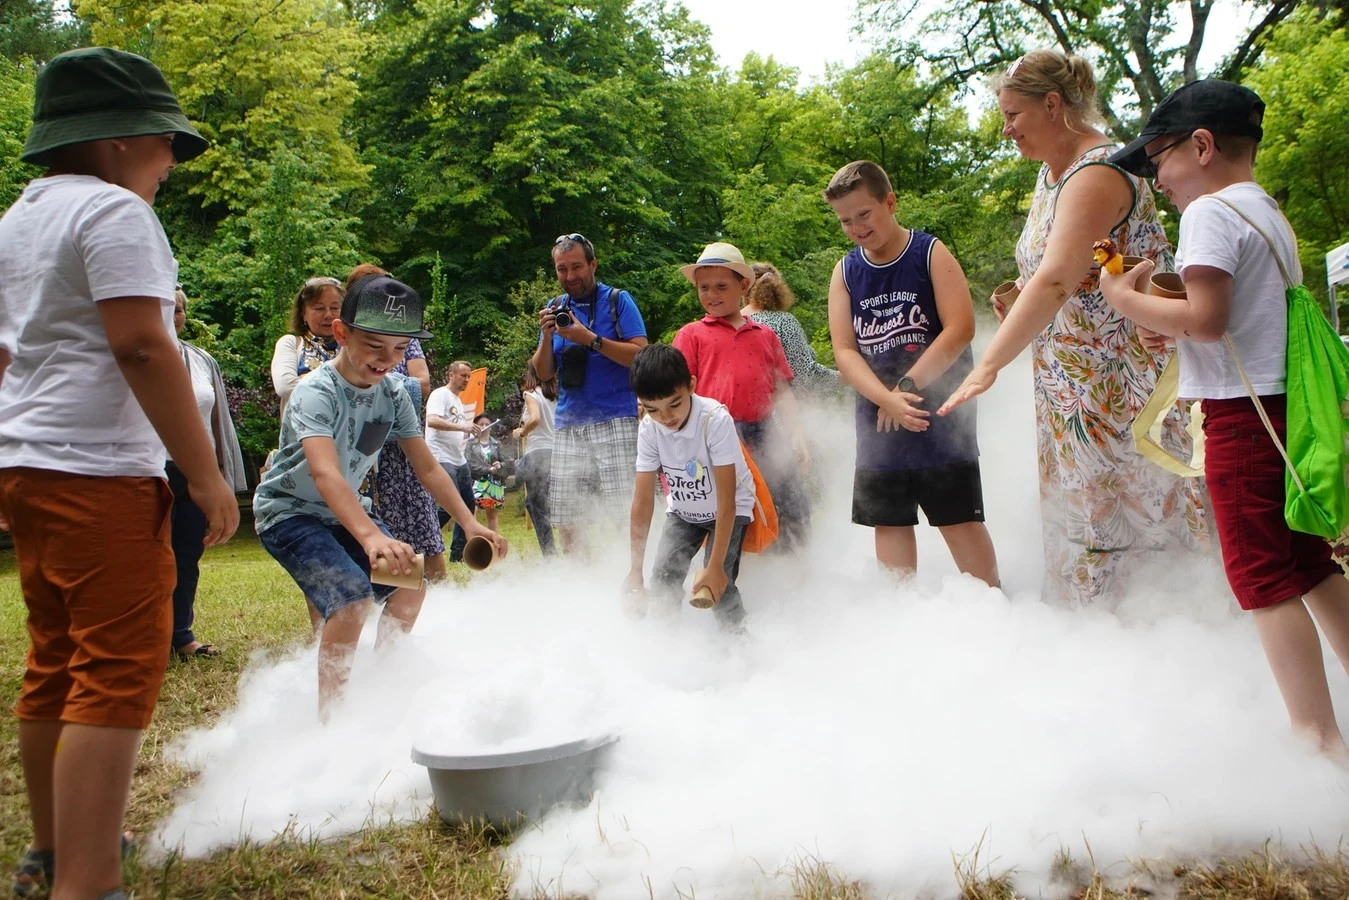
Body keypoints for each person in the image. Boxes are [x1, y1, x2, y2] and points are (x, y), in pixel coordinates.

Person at [0, 47, 239, 900]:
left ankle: (53, 849)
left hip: (29, 465)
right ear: (118, 139)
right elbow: (143, 345)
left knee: (57, 657)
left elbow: (5, 355)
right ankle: (89, 883)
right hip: (98, 471)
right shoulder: (114, 214)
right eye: (167, 142)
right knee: (115, 664)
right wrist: (206, 474)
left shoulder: (18, 219)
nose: (173, 162)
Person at [1100, 80, 1349, 755]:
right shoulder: (1262, 209)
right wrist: (1171, 324)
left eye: (1159, 161)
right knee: (1307, 561)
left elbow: (1206, 321)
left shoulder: (1209, 213)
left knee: (1264, 578)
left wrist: (1123, 299)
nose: (1158, 180)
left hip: (1243, 422)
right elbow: (1233, 323)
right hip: (1284, 408)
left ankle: (1316, 742)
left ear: (1201, 146)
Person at [937, 49, 1207, 606]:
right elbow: (1047, 274)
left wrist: (988, 365)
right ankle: (1092, 654)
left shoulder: (1099, 172)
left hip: (1122, 387)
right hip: (1072, 390)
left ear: (1054, 105)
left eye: (1013, 115)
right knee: (1084, 521)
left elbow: (1059, 280)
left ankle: (1165, 646)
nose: (1005, 128)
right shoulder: (1050, 174)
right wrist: (1018, 294)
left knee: (1134, 519)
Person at [253, 274, 506, 717]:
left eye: (398, 348)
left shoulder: (393, 392)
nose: (387, 359)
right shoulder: (315, 392)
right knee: (351, 599)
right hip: (291, 515)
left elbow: (426, 465)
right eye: (374, 345)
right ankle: (333, 720)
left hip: (344, 513)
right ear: (341, 333)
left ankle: (383, 694)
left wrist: (468, 522)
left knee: (410, 587)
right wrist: (372, 537)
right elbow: (326, 473)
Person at [824, 161, 999, 585]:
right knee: (890, 523)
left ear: (890, 202)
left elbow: (960, 328)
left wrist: (906, 387)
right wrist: (885, 399)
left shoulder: (929, 252)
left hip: (939, 417)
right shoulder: (846, 272)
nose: (856, 227)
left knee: (957, 520)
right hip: (879, 420)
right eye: (846, 220)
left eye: (864, 214)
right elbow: (845, 352)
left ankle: (994, 612)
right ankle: (901, 622)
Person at [672, 242, 811, 552]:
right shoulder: (690, 334)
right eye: (703, 287)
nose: (712, 294)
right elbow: (678, 394)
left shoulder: (766, 335)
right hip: (715, 436)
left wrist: (797, 433)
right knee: (731, 511)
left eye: (722, 286)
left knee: (790, 504)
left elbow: (782, 390)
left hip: (764, 431)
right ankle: (732, 578)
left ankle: (799, 575)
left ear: (744, 286)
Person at [623, 344, 755, 632]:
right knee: (663, 577)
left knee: (719, 584)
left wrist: (716, 567)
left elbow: (727, 500)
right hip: (683, 512)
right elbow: (642, 502)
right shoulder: (649, 429)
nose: (666, 417)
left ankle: (739, 646)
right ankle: (667, 643)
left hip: (729, 508)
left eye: (675, 403)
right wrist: (635, 571)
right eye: (652, 409)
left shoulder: (714, 419)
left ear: (691, 386)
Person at [531, 233, 649, 554]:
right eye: (561, 269)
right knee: (569, 517)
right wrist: (546, 336)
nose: (569, 276)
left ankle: (634, 574)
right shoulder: (556, 307)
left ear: (593, 264)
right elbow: (543, 373)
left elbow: (641, 355)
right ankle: (577, 585)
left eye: (576, 267)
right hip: (569, 422)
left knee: (626, 510)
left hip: (617, 417)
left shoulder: (618, 301)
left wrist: (590, 339)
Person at [344, 265, 446, 583]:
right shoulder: (346, 344)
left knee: (423, 526)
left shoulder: (407, 341)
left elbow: (422, 381)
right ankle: (392, 603)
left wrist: (382, 386)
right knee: (381, 542)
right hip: (362, 457)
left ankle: (441, 597)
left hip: (403, 451)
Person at [168, 287, 249, 660]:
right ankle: (140, 639)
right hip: (143, 470)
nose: (173, 314)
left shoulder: (201, 360)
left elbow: (220, 424)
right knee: (143, 559)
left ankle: (181, 635)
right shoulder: (124, 356)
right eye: (164, 306)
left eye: (179, 308)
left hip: (193, 473)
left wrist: (222, 477)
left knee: (186, 555)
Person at [744, 262, 839, 395]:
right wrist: (844, 378)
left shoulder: (732, 322)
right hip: (782, 411)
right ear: (778, 289)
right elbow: (805, 376)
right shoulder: (783, 321)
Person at [425, 360, 482, 562]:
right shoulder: (440, 394)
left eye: (469, 376)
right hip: (440, 456)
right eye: (463, 375)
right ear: (451, 375)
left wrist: (468, 435)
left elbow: (455, 431)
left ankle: (457, 554)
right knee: (452, 504)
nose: (466, 380)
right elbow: (432, 421)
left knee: (468, 505)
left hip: (458, 458)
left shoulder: (458, 401)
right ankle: (424, 536)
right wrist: (464, 427)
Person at [270, 275, 344, 415]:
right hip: (301, 434)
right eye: (319, 308)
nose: (328, 315)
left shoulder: (353, 347)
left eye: (335, 307)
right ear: (303, 313)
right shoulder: (291, 344)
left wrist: (307, 378)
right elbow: (285, 387)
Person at [513, 364, 558, 555]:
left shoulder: (531, 394)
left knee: (536, 506)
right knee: (552, 503)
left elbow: (535, 419)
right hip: (556, 453)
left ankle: (550, 555)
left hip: (537, 454)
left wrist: (522, 431)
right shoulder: (557, 396)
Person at [466, 414, 512, 533]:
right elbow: (469, 464)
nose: (485, 426)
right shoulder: (471, 444)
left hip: (494, 483)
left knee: (492, 515)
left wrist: (499, 465)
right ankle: (476, 540)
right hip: (476, 482)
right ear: (476, 426)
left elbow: (507, 461)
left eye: (487, 424)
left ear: (491, 427)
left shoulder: (496, 444)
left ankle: (493, 544)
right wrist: (488, 469)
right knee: (472, 511)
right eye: (481, 424)